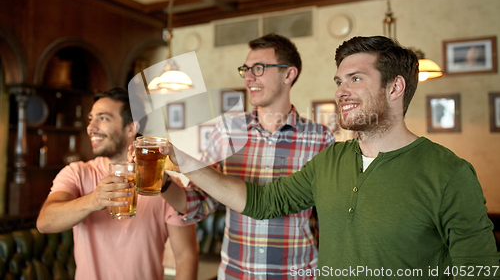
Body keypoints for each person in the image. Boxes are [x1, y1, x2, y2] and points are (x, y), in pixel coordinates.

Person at [161, 36, 499, 279]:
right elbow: (263, 201)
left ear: (394, 88)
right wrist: (184, 161)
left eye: (355, 79)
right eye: (339, 81)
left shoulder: (450, 172)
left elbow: (480, 268)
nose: (340, 91)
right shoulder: (331, 160)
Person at [158, 34, 335, 279]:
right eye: (246, 69)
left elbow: (332, 219)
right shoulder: (227, 132)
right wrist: (162, 183)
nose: (249, 77)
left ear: (289, 74)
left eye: (259, 69)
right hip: (236, 274)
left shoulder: (320, 139)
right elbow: (198, 204)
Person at [37, 88, 198, 280]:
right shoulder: (77, 173)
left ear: (131, 128)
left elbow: (186, 256)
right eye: (91, 119)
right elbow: (44, 223)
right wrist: (93, 200)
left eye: (103, 118)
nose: (91, 127)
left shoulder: (164, 184)